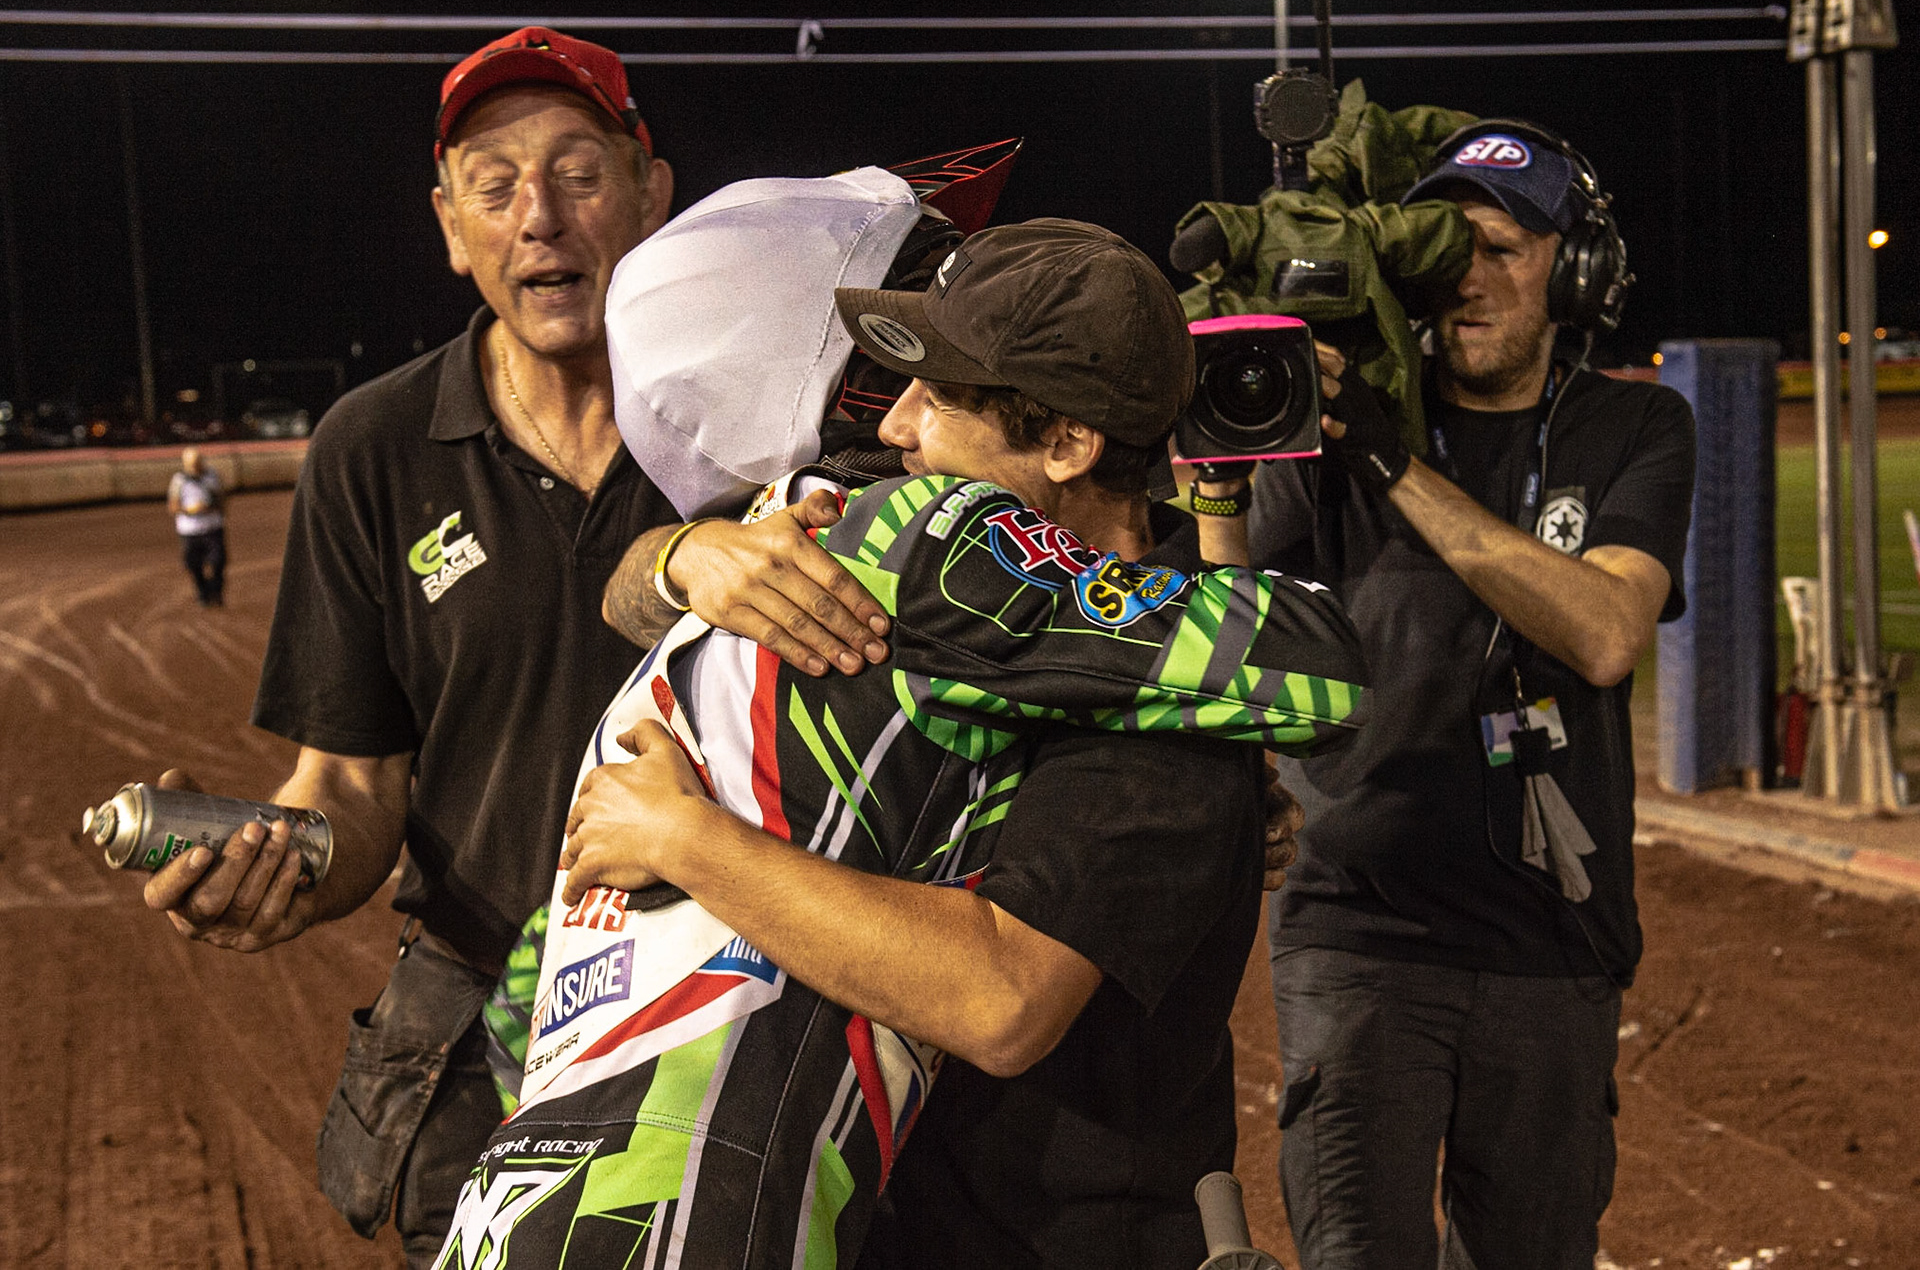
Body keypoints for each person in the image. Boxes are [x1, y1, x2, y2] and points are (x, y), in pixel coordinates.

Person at [441, 218, 1369, 1269]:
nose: (898, 432)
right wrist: (682, 554)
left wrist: (684, 838)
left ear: (1066, 443)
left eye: (941, 398)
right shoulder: (888, 598)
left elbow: (1002, 1001)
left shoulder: (1170, 707)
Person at [135, 26, 680, 1265]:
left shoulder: (749, 421)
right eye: (495, 185)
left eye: (579, 173)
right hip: (477, 1038)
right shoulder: (369, 450)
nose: (538, 216)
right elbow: (354, 786)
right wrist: (280, 867)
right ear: (450, 227)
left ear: (651, 190)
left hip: (723, 1009)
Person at [1217, 121, 1695, 1269]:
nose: (1472, 277)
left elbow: (1605, 631)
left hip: (1554, 937)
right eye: (1447, 250)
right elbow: (1226, 610)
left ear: (1575, 271)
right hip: (1359, 924)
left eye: (1507, 246)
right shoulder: (1330, 423)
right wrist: (1226, 449)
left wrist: (1396, 464)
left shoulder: (1636, 423)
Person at [168, 445, 226, 606]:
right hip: (189, 530)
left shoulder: (212, 477)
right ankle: (202, 591)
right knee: (193, 564)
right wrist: (188, 510)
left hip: (212, 527)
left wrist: (209, 508)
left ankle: (216, 590)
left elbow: (222, 499)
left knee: (218, 561)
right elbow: (173, 506)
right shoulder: (179, 480)